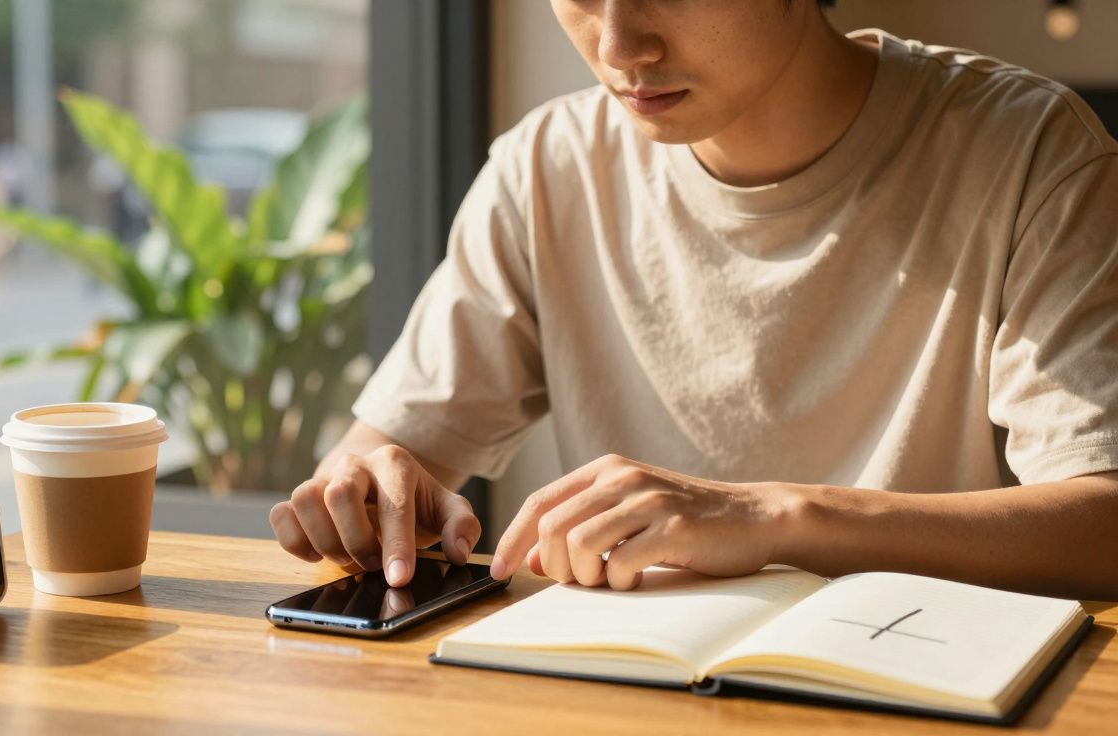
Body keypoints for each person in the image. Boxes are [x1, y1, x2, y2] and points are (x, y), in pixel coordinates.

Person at [270, 1, 1118, 599]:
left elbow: (1103, 524)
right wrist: (369, 492)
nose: (618, 44)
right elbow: (387, 461)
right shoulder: (549, 169)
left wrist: (775, 516)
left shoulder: (1029, 153)